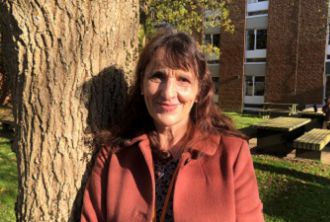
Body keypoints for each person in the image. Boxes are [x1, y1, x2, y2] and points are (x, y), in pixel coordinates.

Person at [81, 29, 264, 222]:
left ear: (199, 92)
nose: (168, 93)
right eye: (158, 76)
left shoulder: (232, 155)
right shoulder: (113, 157)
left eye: (183, 80)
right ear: (142, 85)